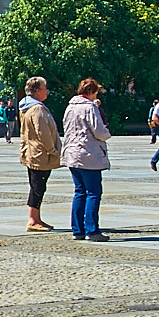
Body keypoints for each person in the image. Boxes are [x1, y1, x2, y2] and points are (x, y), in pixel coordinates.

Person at [61, 77, 111, 242]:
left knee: (79, 191)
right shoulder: (89, 107)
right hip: (88, 154)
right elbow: (98, 131)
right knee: (93, 192)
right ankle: (92, 230)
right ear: (90, 92)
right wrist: (107, 133)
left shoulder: (70, 107)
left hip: (72, 153)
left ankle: (77, 229)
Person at [18, 77, 61, 231]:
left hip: (32, 152)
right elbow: (43, 132)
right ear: (37, 91)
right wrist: (52, 151)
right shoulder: (37, 109)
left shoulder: (26, 106)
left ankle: (36, 218)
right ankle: (33, 220)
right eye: (45, 88)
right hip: (40, 154)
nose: (47, 91)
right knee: (38, 186)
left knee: (37, 186)